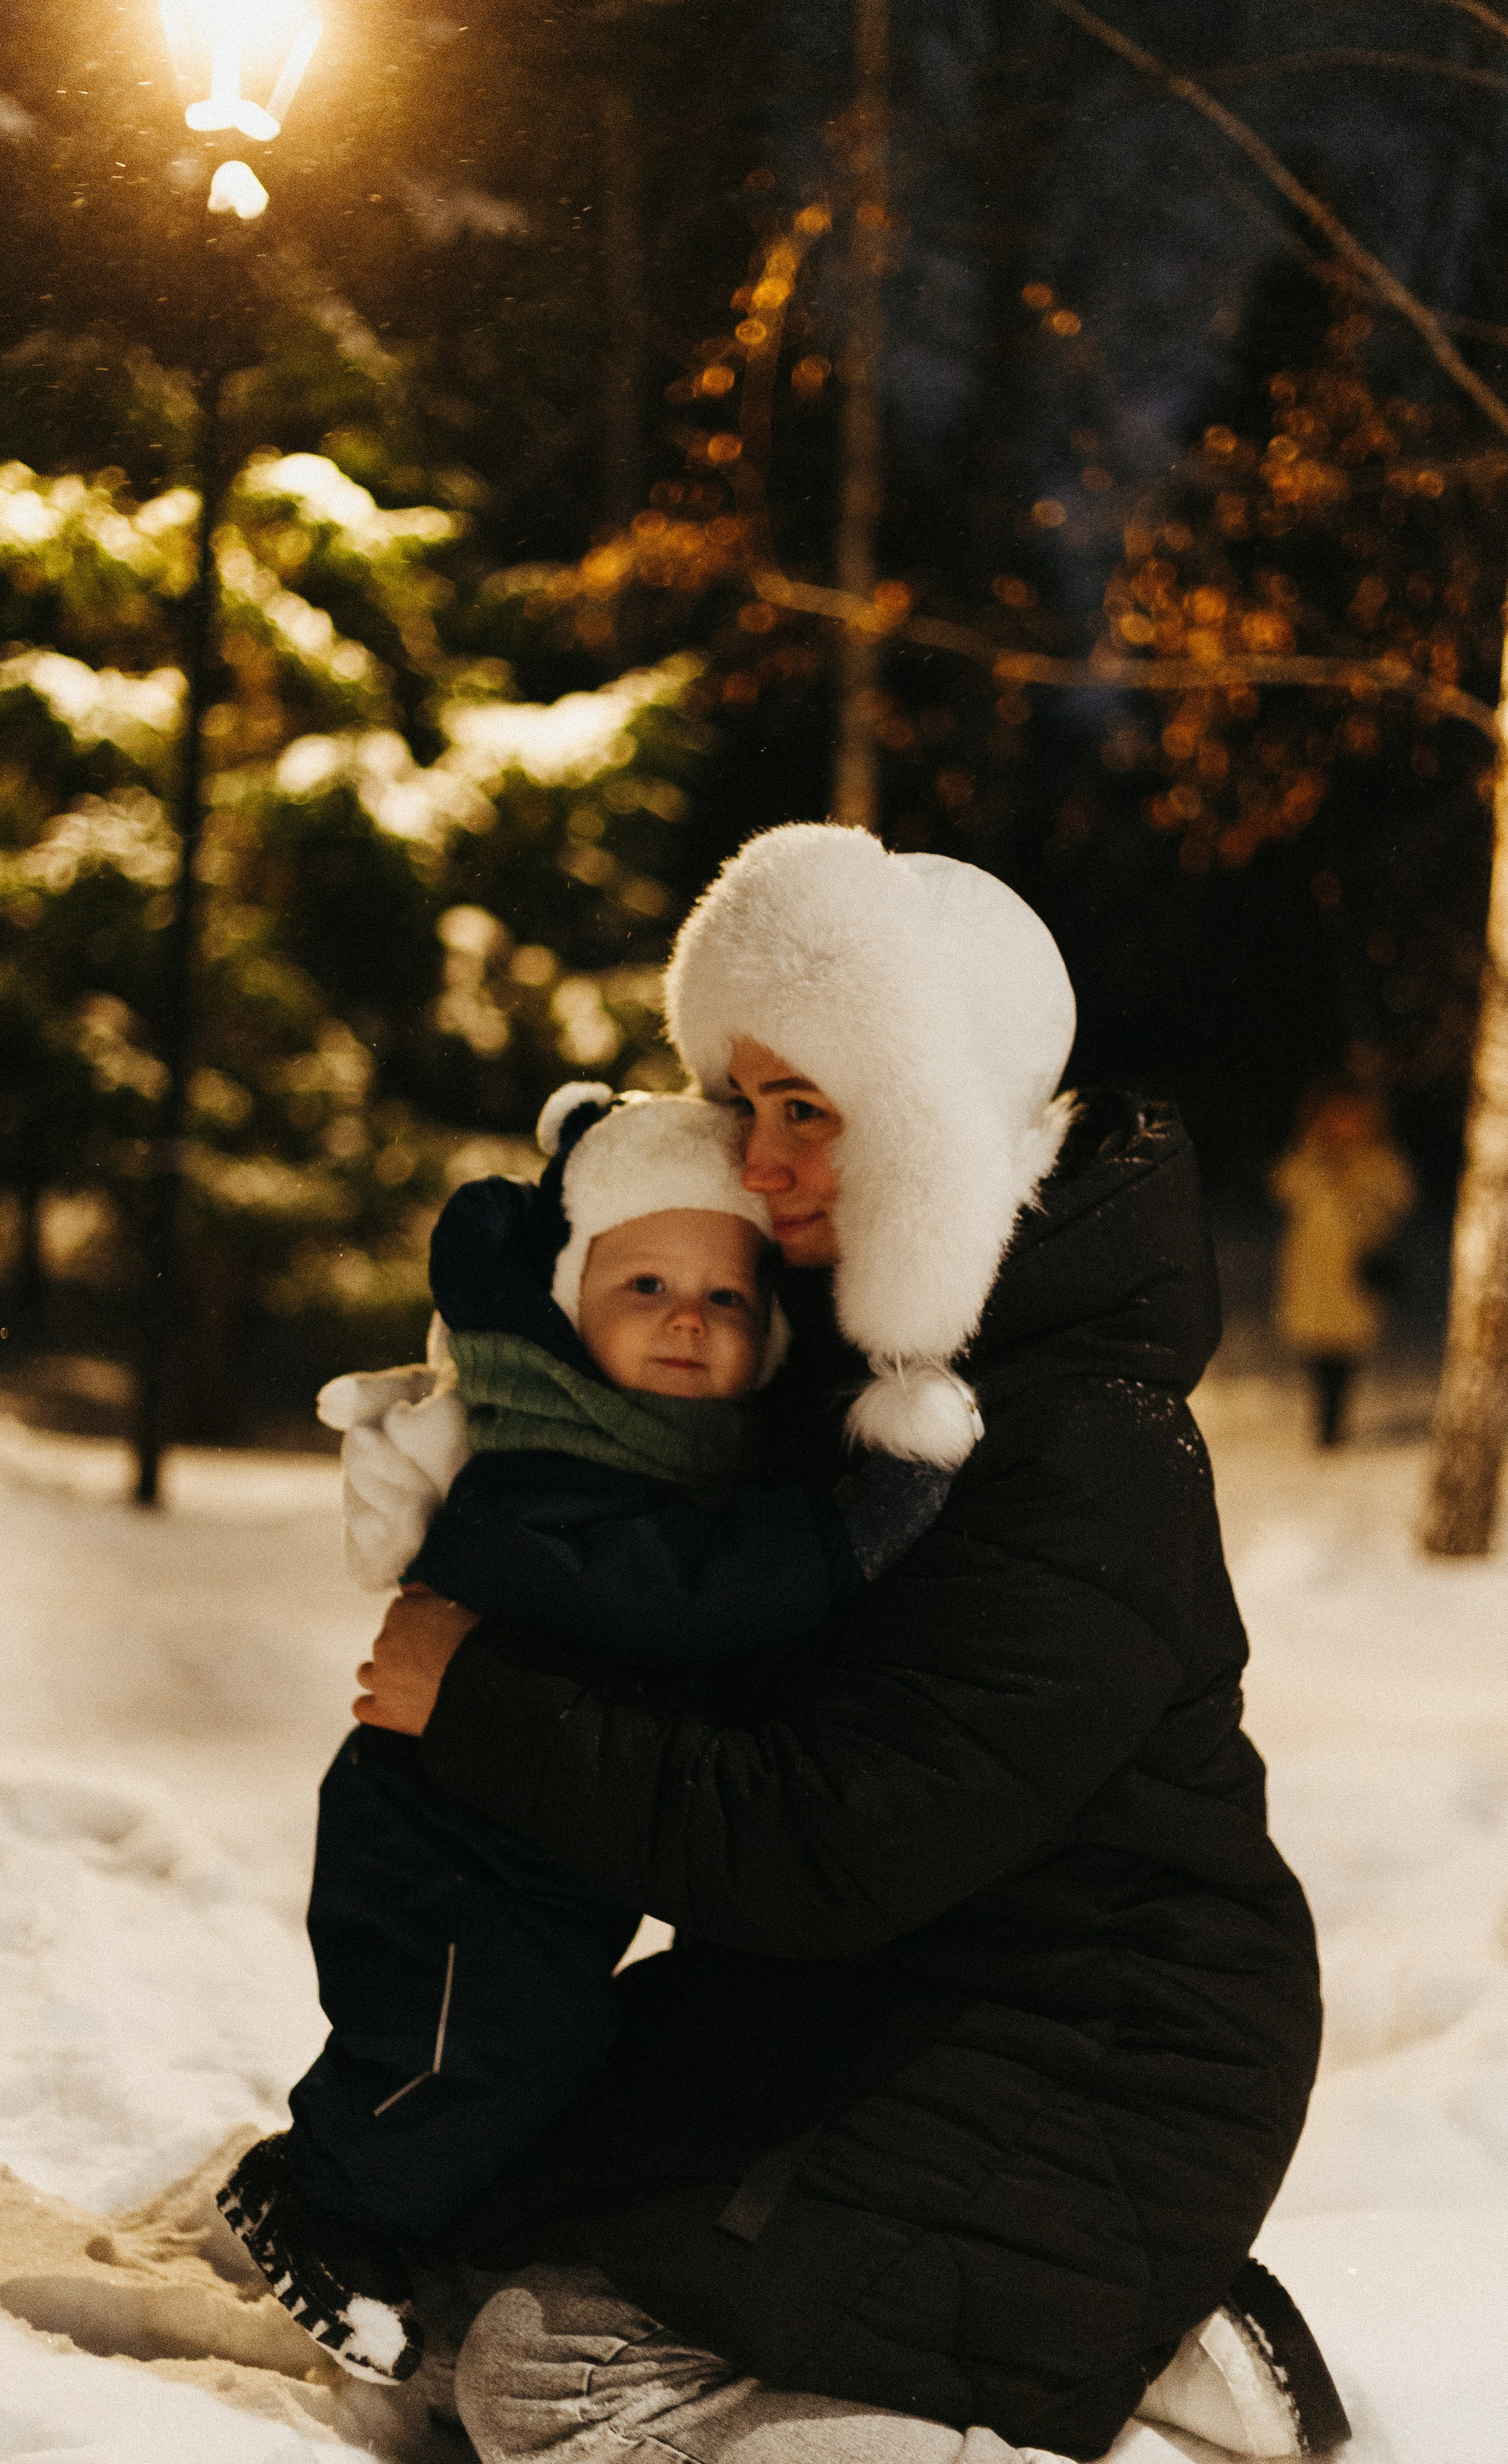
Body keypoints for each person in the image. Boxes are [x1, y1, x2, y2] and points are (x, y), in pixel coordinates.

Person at [289, 825, 1348, 2464]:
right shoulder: (844, 1372)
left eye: (810, 1111)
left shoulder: (1081, 1447)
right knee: (454, 2223)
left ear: (929, 1130)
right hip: (878, 1991)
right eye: (742, 1104)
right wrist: (480, 1453)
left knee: (551, 2374)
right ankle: (1114, 2314)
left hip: (1097, 2045)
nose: (758, 1161)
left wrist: (480, 1699)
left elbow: (830, 1836)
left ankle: (1130, 2321)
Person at [218, 1082, 953, 2384]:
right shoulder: (548, 1468)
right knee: (465, 2047)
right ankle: (321, 2202)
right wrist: (852, 1533)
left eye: (725, 1298)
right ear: (568, 1307)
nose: (685, 1319)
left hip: (539, 1851)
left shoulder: (676, 1461)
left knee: (546, 2046)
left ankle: (390, 2195)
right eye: (644, 1287)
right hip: (444, 1842)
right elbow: (672, 1597)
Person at [1269, 1081, 1416, 1447]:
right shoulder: (1309, 1157)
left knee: (1346, 1348)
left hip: (1356, 1269)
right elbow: (1283, 1188)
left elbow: (1401, 1197)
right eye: (1336, 1117)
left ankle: (1333, 1425)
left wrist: (1361, 1187)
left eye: (1353, 1117)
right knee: (1315, 1346)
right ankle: (1325, 1418)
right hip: (1312, 1271)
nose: (1344, 1125)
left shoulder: (1380, 1161)